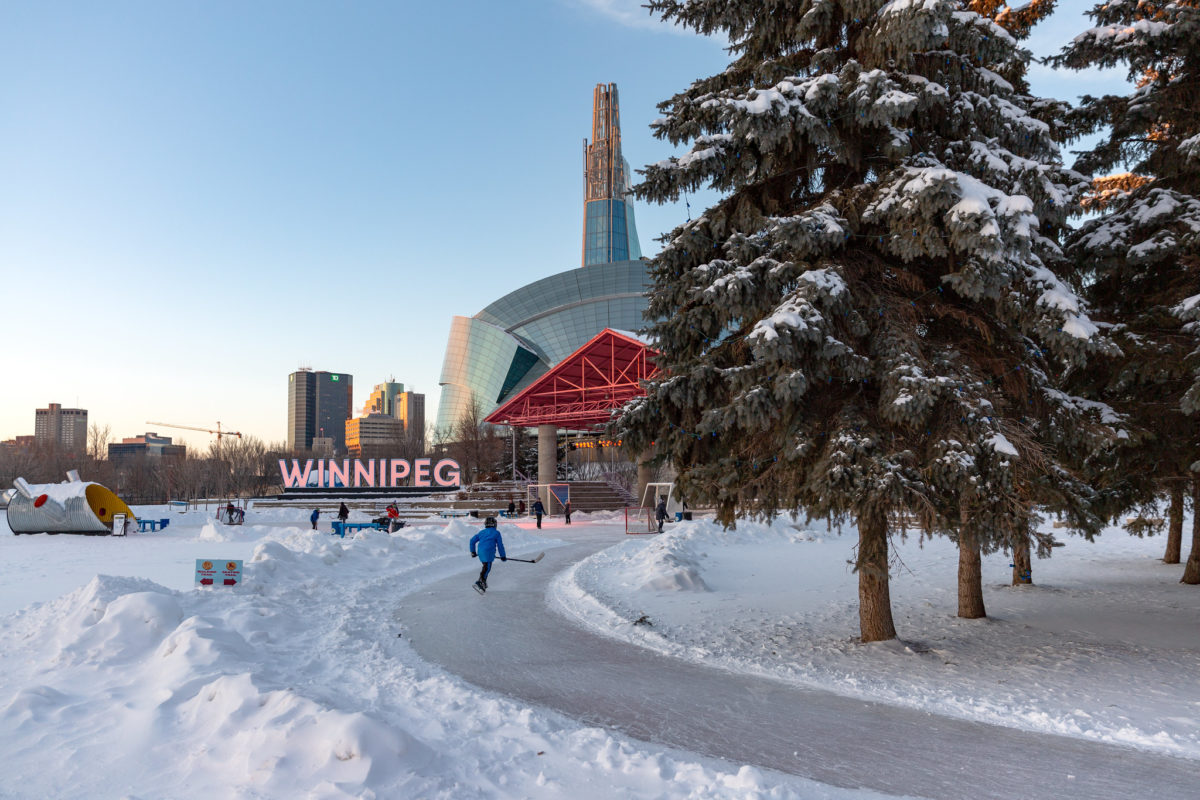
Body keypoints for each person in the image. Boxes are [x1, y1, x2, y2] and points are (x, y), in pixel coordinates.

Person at [469, 516, 506, 592]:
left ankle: (483, 582)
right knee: (487, 567)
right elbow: (500, 545)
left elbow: (472, 541)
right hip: (488, 552)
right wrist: (503, 556)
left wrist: (473, 551)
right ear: (494, 524)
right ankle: (480, 581)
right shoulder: (496, 533)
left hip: (481, 552)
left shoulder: (482, 532)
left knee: (485, 566)